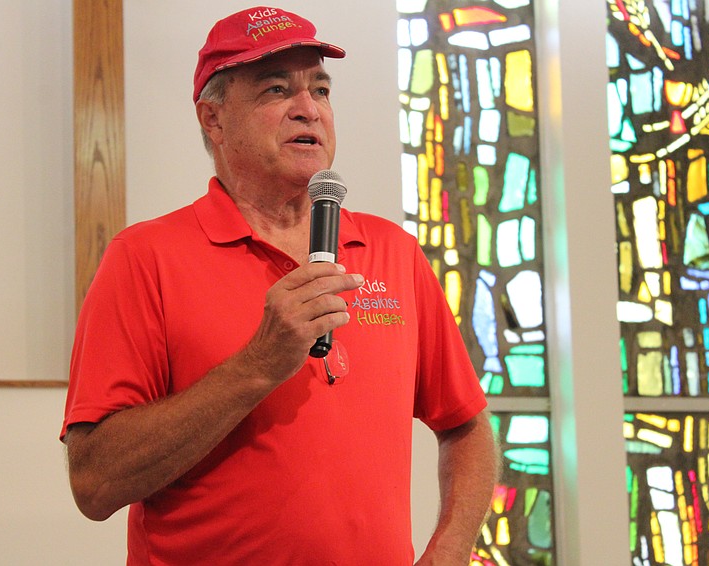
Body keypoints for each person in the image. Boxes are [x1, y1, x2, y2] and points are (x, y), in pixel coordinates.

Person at [61, 6, 499, 565]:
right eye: (276, 90)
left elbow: (465, 425)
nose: (308, 109)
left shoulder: (394, 253)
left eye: (320, 88)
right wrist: (257, 365)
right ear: (213, 120)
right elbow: (94, 483)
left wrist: (452, 546)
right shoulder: (144, 258)